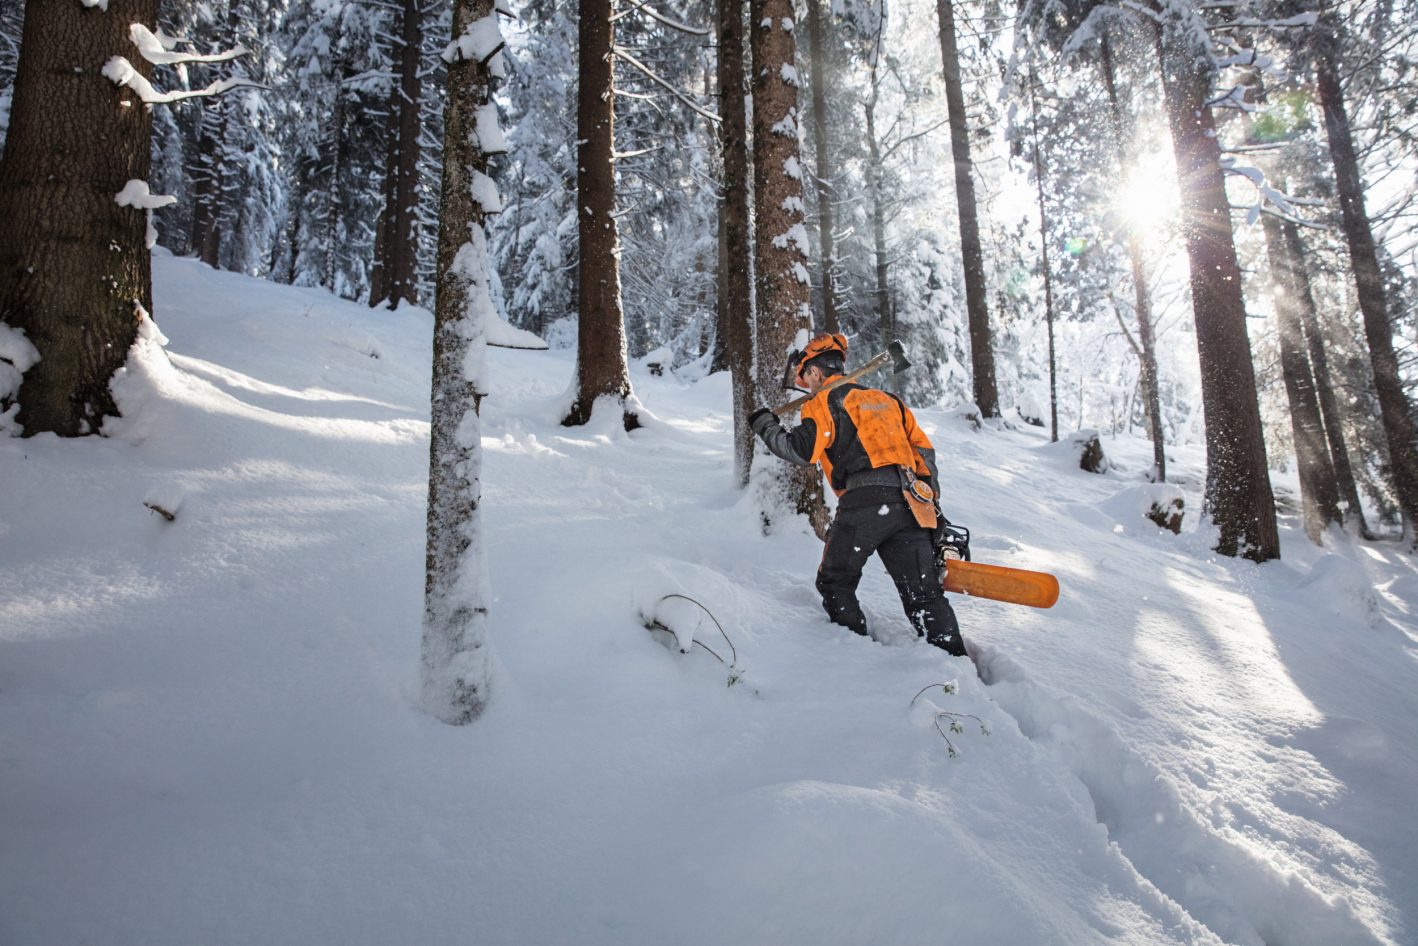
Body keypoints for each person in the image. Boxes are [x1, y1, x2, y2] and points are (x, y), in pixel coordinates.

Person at [748, 333, 968, 657]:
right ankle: (953, 663)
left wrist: (766, 426)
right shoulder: (890, 402)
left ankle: (856, 660)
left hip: (865, 503)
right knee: (924, 595)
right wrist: (930, 502)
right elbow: (924, 453)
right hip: (911, 503)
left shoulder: (823, 401)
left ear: (815, 372)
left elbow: (801, 449)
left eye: (806, 377)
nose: (807, 385)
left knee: (835, 582)